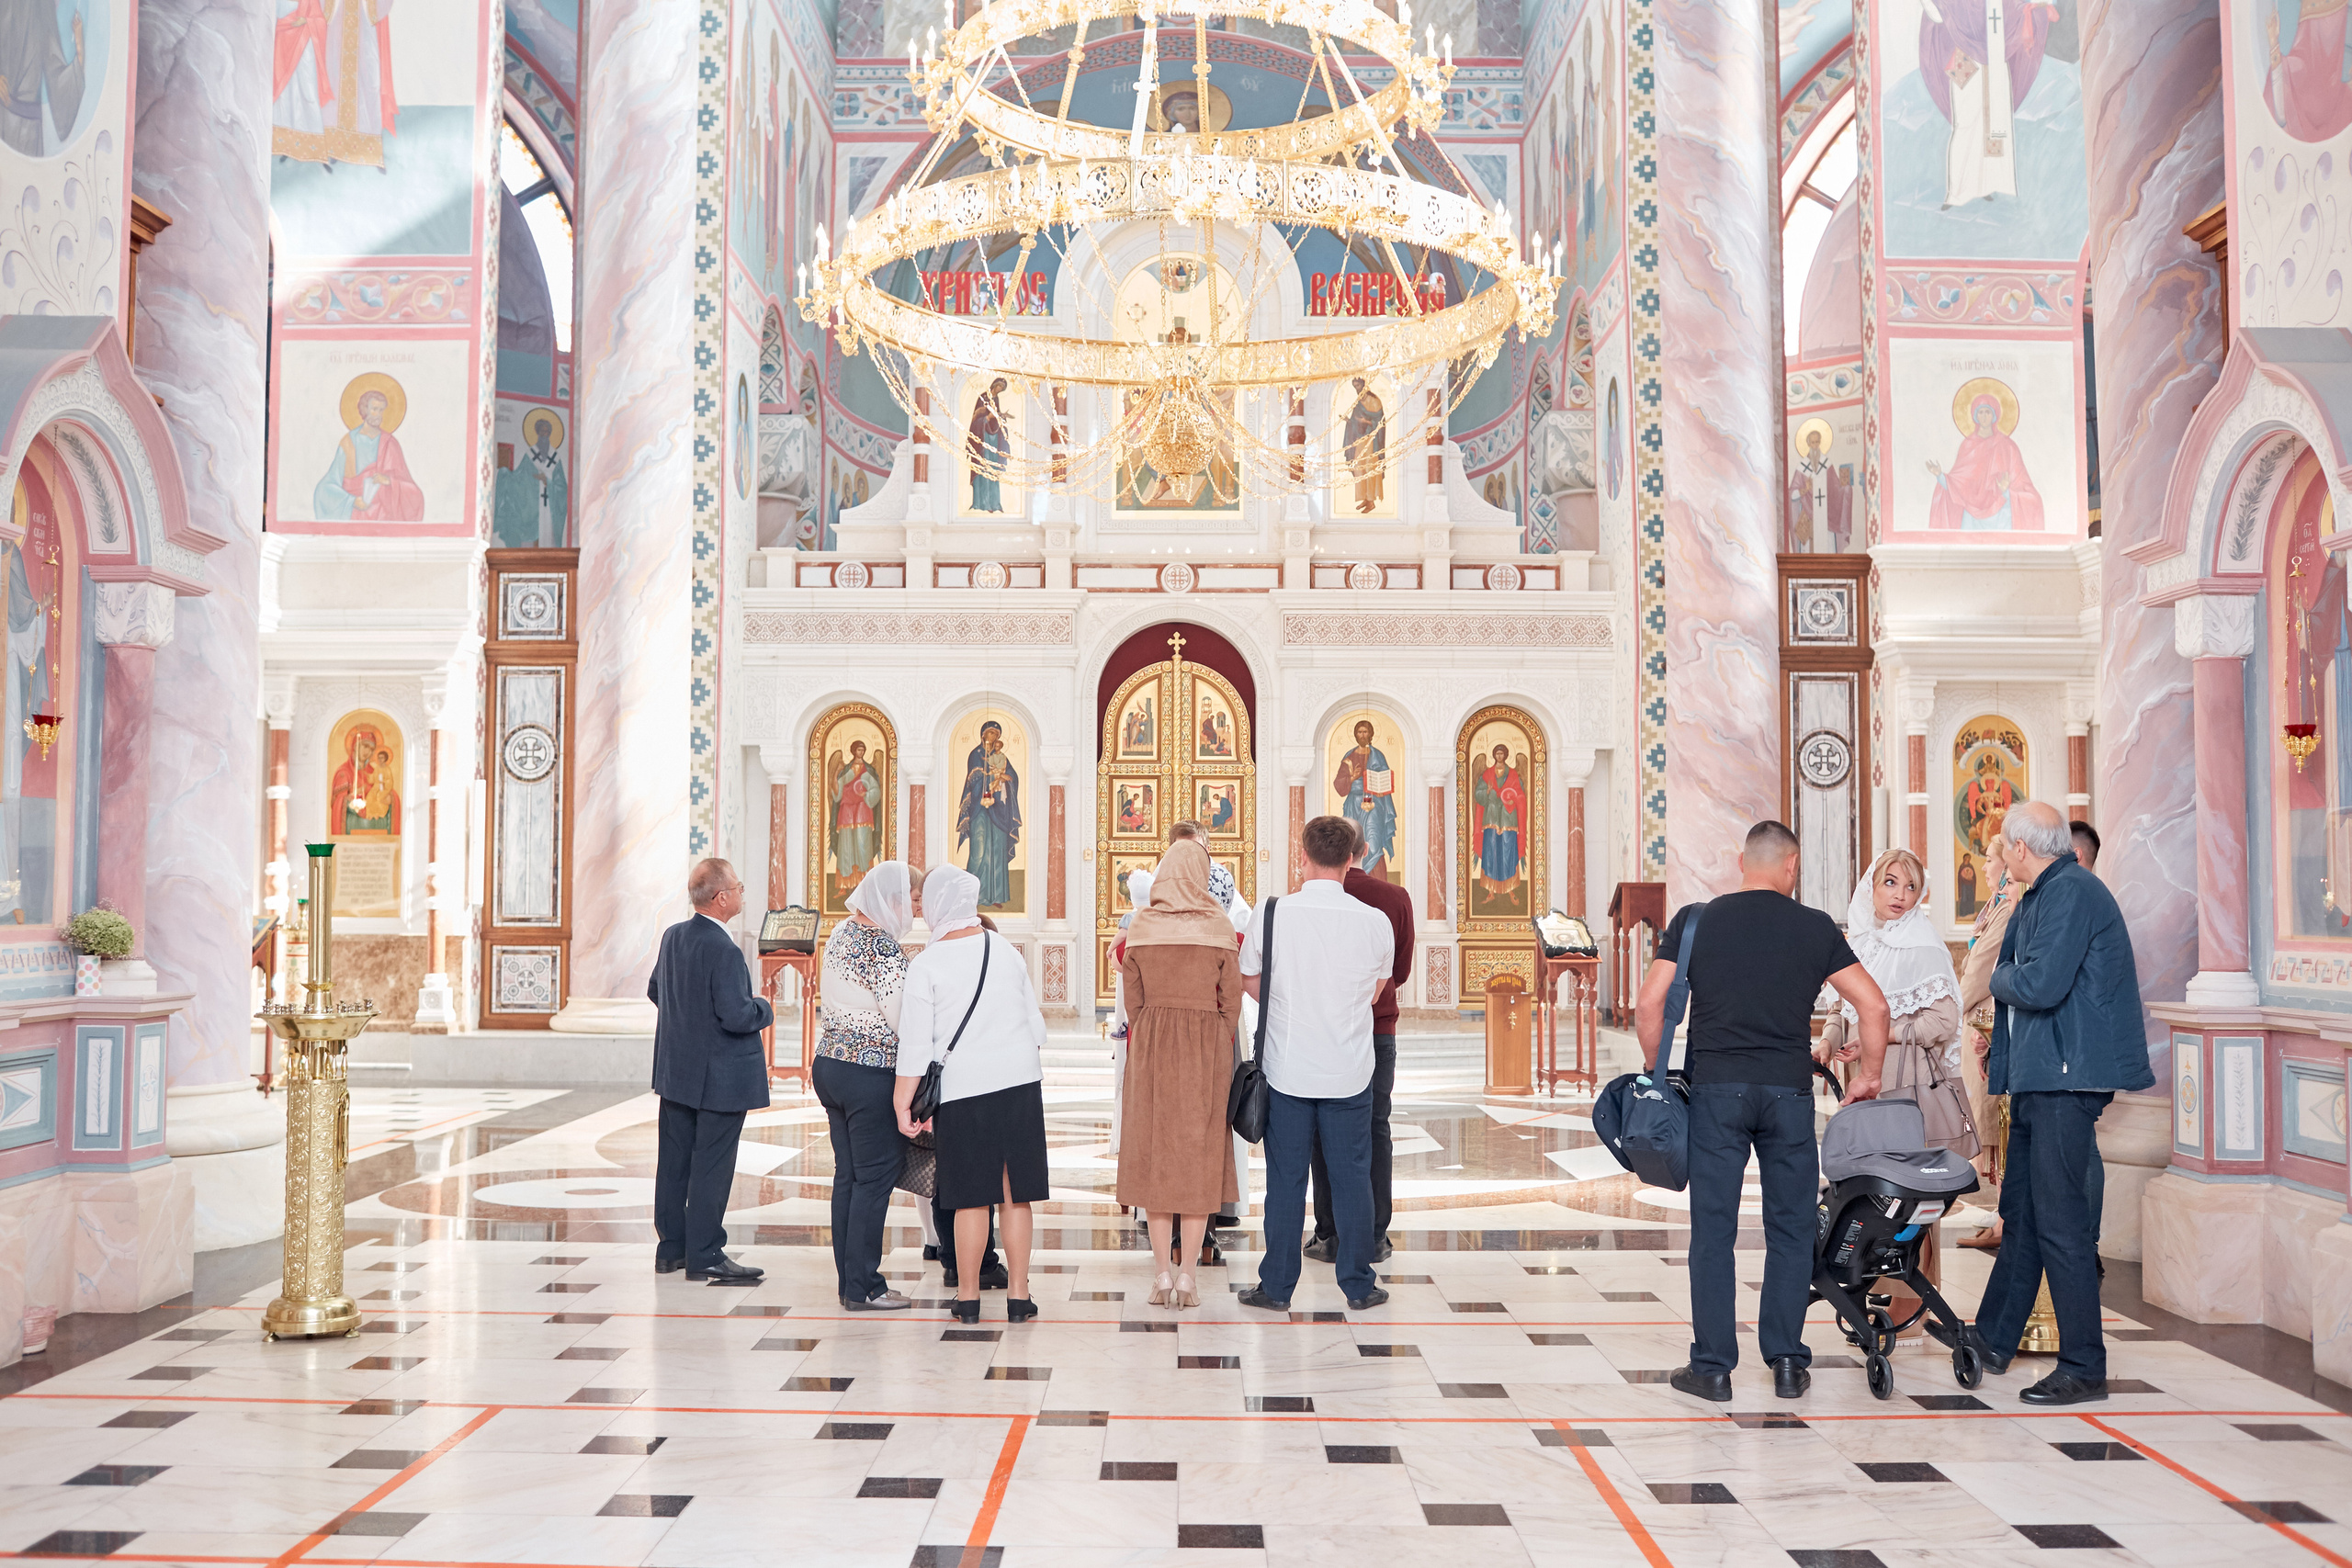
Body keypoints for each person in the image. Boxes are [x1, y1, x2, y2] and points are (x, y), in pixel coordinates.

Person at [1636, 820, 1890, 1402]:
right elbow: (1874, 1007)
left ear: (1741, 862)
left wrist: (1658, 1073)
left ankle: (1712, 1367)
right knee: (1791, 1227)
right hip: (1787, 1095)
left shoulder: (1696, 921)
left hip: (1717, 1093)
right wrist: (1870, 1076)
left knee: (1713, 1231)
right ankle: (1787, 1362)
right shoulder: (1816, 926)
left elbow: (1651, 1004)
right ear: (1792, 866)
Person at [1973, 801, 2151, 1405]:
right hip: (2042, 1074)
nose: (2002, 856)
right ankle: (1992, 1339)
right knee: (2022, 1213)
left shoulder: (2072, 891)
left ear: (2021, 847)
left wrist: (2001, 977)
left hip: (2066, 1078)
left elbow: (2036, 983)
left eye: (2004, 846)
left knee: (2059, 1221)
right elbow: (2018, 968)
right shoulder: (2038, 895)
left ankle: (2083, 1365)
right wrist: (2009, 971)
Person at [1238, 815, 1396, 1314]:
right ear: (1351, 859)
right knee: (1352, 1179)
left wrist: (1290, 1006)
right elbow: (1376, 993)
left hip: (1287, 1070)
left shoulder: (1272, 913)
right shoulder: (1375, 922)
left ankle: (1276, 1287)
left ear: (1301, 856)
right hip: (1349, 1069)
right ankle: (1359, 1284)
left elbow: (1249, 980)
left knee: (1286, 1181)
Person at [1814, 849, 1962, 1336]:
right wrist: (1828, 1042)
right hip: (1868, 1082)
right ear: (1871, 887)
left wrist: (1884, 1033)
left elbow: (1943, 1022)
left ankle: (1910, 1303)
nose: (1900, 895)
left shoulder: (1923, 945)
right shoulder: (1859, 942)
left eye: (1911, 886)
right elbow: (1841, 1008)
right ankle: (1879, 1283)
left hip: (1908, 1082)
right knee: (1873, 1193)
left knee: (1913, 1194)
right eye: (1890, 882)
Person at [896, 865, 1049, 1323]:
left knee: (970, 1197)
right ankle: (1019, 1296)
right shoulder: (1004, 949)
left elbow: (915, 1046)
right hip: (1020, 1084)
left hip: (964, 1092)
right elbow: (1037, 1028)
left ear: (937, 904)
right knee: (1015, 1194)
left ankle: (968, 1299)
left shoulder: (926, 964)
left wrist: (903, 1103)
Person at [1117, 840, 1243, 1308]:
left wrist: (1153, 1027)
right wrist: (1214, 1036)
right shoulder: (1218, 925)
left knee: (1153, 1155)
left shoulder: (1143, 925)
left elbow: (1133, 999)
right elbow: (1231, 1001)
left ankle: (1162, 1276)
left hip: (1151, 1045)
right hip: (1205, 1048)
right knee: (1198, 1157)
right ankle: (1189, 1275)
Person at [648, 858, 775, 1285]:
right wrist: (764, 1007)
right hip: (719, 1078)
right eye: (738, 887)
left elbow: (656, 990)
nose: (741, 893)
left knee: (674, 1162)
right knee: (711, 1166)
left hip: (676, 1071)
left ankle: (672, 1249)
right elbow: (737, 1015)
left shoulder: (673, 936)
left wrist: (690, 1023)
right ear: (721, 898)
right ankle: (705, 1253)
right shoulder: (723, 949)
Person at [1306, 820, 1412, 1265]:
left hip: (1325, 1030)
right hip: (1378, 1028)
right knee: (1375, 1128)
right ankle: (1374, 1235)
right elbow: (1399, 972)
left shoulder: (1307, 902)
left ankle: (1329, 1233)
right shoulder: (1395, 898)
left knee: (1322, 1130)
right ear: (1362, 852)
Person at [814, 862, 916, 1310]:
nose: (911, 910)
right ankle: (865, 1286)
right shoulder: (883, 948)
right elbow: (903, 1021)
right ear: (892, 901)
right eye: (910, 901)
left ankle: (849, 1282)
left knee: (849, 1176)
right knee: (874, 1178)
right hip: (869, 1073)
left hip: (831, 1066)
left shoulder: (840, 933)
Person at [1957, 819, 2018, 1251]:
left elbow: (1981, 969)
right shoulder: (1995, 906)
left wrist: (1951, 1009)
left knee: (1998, 1122)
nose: (1984, 866)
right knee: (1990, 1122)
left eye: (1991, 859)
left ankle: (2003, 1219)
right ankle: (2000, 1215)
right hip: (1982, 1019)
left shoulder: (2007, 910)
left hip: (1988, 1019)